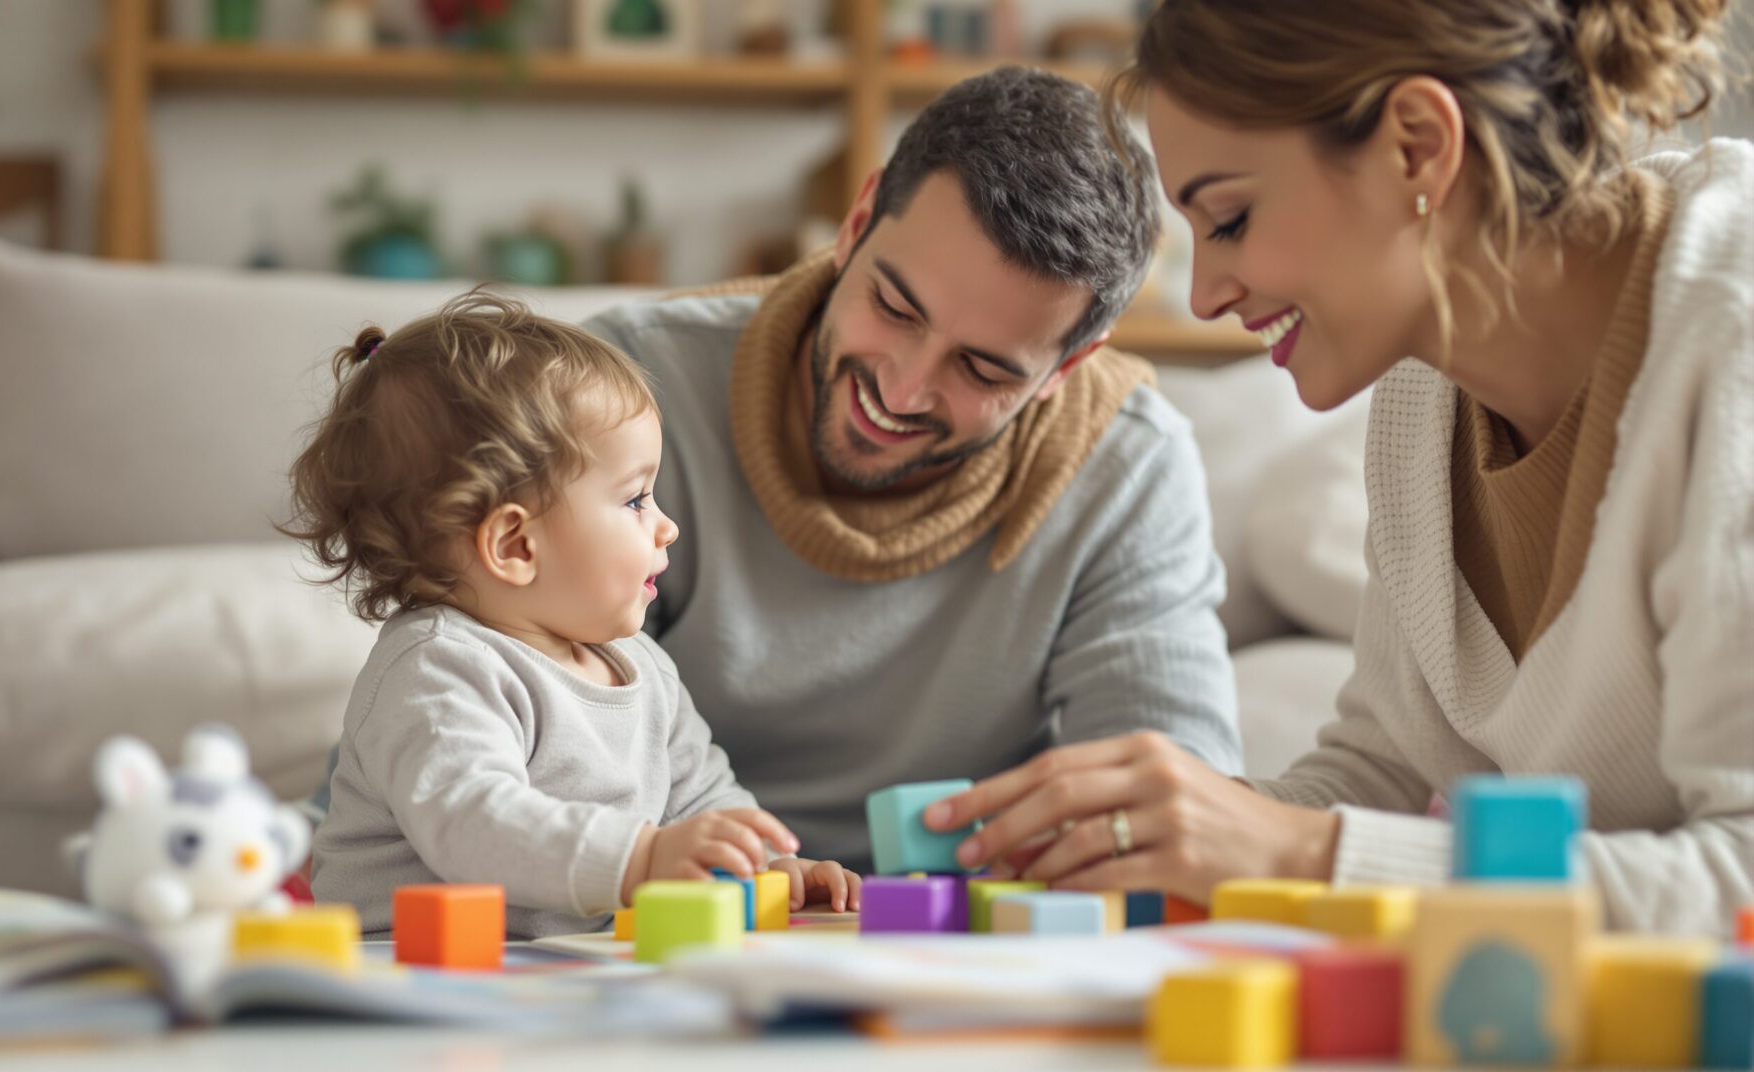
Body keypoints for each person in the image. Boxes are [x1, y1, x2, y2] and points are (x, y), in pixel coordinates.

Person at [925, 0, 1753, 936]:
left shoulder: (1732, 338)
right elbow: (1393, 773)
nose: (1205, 296)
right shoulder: (1421, 398)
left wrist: (1293, 854)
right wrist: (1175, 831)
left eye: (1230, 218)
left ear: (1415, 146)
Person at [577, 66, 1242, 872]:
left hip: (963, 938)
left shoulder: (1128, 467)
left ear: (1068, 366)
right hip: (650, 900)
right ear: (855, 225)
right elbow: (541, 748)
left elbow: (1174, 815)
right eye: (894, 309)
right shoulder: (620, 392)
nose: (900, 389)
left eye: (986, 370)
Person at [283, 292, 858, 939]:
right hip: (407, 971)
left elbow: (698, 795)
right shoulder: (437, 670)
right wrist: (641, 859)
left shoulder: (641, 666)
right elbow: (477, 824)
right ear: (516, 546)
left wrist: (770, 863)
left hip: (558, 970)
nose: (667, 526)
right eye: (636, 498)